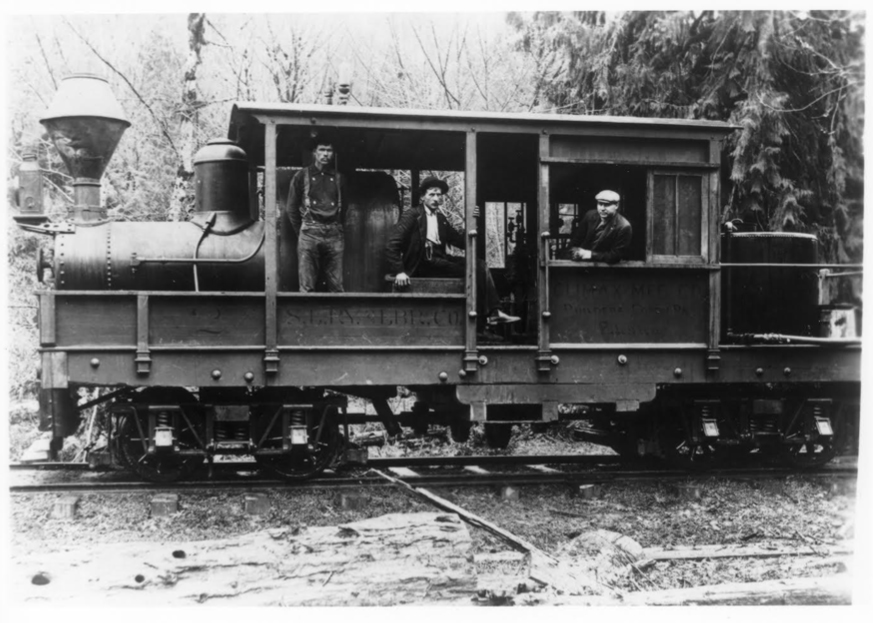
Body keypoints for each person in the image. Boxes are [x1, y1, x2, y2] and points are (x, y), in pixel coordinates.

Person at [385, 176, 519, 325]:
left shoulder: (441, 218)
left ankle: (493, 313)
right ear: (423, 197)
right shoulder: (412, 215)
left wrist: (475, 223)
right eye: (432, 194)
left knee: (479, 265)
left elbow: (461, 242)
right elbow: (392, 244)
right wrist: (400, 271)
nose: (436, 198)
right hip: (421, 264)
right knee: (475, 270)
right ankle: (486, 319)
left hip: (439, 260)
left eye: (439, 195)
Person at [286, 135, 347, 292]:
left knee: (337, 285)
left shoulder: (339, 178)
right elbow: (291, 209)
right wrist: (303, 231)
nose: (325, 154)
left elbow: (344, 208)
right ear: (314, 152)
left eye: (329, 150)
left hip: (334, 233)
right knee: (307, 286)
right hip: (309, 233)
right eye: (322, 150)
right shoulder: (301, 176)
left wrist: (336, 227)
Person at [568, 189, 632, 264]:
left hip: (604, 268)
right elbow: (576, 240)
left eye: (607, 205)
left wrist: (589, 254)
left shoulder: (624, 226)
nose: (602, 208)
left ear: (616, 205)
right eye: (600, 204)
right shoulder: (590, 215)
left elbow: (615, 256)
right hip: (580, 263)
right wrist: (574, 251)